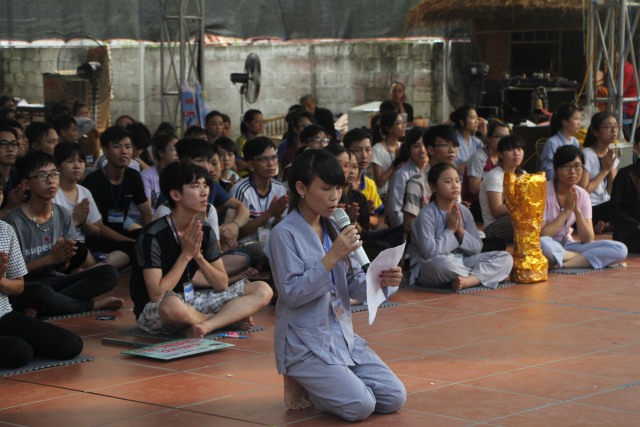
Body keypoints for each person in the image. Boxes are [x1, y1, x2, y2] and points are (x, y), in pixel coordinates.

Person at [264, 149, 406, 421]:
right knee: (360, 406)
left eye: (338, 188)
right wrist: (331, 257)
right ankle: (303, 377)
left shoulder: (334, 225)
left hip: (341, 336)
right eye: (326, 188)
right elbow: (291, 294)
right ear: (301, 188)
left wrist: (382, 280)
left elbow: (352, 284)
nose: (335, 196)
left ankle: (330, 381)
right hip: (305, 342)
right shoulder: (284, 234)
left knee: (394, 396)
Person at [130, 161, 272, 337]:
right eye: (195, 186)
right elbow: (156, 295)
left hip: (193, 300)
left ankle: (206, 326)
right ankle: (218, 319)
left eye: (205, 185)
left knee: (262, 289)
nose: (204, 192)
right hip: (156, 310)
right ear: (175, 194)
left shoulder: (204, 229)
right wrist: (185, 255)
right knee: (172, 305)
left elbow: (221, 284)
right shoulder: (152, 236)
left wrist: (198, 257)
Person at [5, 151, 122, 316]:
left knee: (108, 273)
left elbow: (63, 267)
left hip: (53, 280)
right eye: (42, 175)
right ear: (26, 184)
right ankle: (89, 305)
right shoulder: (13, 221)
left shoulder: (62, 214)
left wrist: (64, 260)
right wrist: (48, 259)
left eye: (54, 174)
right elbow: (9, 275)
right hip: (24, 286)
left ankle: (46, 306)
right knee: (39, 291)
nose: (50, 180)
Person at [0, 204, 83, 368]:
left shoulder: (5, 230)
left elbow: (18, 286)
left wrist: (1, 281)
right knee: (19, 351)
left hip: (3, 315)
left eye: (0, 192)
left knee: (71, 344)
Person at [408, 163, 513, 291]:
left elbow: (477, 248)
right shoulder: (426, 215)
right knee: (442, 265)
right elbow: (429, 253)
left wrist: (460, 231)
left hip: (461, 261)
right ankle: (482, 275)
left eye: (457, 181)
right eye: (448, 182)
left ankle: (469, 280)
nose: (455, 185)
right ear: (434, 187)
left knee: (505, 258)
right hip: (432, 266)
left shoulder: (463, 211)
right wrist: (451, 230)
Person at [540, 145, 627, 269]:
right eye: (566, 166)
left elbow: (587, 238)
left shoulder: (582, 194)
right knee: (542, 244)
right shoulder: (543, 192)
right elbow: (543, 234)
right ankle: (581, 258)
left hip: (568, 245)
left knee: (620, 249)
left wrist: (577, 211)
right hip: (549, 244)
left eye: (577, 166)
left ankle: (563, 264)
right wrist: (566, 212)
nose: (572, 171)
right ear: (555, 170)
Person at [53, 142, 130, 269]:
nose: (77, 166)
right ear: (58, 166)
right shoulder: (53, 194)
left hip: (87, 246)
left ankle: (89, 271)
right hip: (67, 248)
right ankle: (97, 269)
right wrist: (75, 220)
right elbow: (52, 235)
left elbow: (96, 233)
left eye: (81, 161)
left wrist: (84, 222)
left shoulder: (84, 192)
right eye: (70, 161)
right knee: (77, 249)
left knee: (129, 248)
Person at [83, 126, 153, 240]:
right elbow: (98, 226)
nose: (124, 151)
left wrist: (148, 238)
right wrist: (130, 242)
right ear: (105, 150)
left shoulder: (133, 176)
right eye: (117, 146)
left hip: (123, 233)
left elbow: (146, 212)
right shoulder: (93, 182)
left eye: (128, 146)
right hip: (100, 239)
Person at [230, 137, 288, 266]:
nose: (271, 164)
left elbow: (280, 229)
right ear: (251, 165)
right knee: (266, 249)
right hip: (245, 244)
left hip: (272, 241)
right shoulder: (241, 190)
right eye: (264, 159)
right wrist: (268, 214)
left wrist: (277, 217)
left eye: (274, 157)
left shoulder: (279, 188)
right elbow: (236, 234)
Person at [401, 124, 459, 234]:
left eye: (455, 145)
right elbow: (408, 225)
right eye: (446, 145)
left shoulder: (455, 180)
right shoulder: (417, 183)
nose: (452, 150)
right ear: (431, 150)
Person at [479, 135, 526, 243]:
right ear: (500, 154)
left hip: (515, 221)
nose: (516, 153)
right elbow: (496, 210)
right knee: (521, 217)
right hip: (494, 227)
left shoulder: (523, 174)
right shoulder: (495, 176)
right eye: (511, 149)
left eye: (519, 149)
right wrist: (523, 204)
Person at [579, 112, 619, 233]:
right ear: (596, 132)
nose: (613, 130)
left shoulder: (611, 154)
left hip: (605, 204)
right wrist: (605, 170)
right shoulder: (587, 154)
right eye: (607, 127)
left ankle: (602, 225)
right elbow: (584, 191)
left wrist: (611, 168)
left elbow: (612, 191)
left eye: (615, 126)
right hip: (590, 206)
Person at [462, 120, 509, 222]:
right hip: (474, 204)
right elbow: (474, 189)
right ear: (488, 138)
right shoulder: (479, 157)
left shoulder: (503, 156)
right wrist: (494, 182)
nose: (504, 141)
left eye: (507, 137)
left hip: (495, 199)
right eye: (499, 137)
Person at [386, 126, 428, 228]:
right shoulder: (401, 175)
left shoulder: (434, 171)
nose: (422, 150)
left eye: (425, 144)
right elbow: (395, 212)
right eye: (416, 146)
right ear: (409, 150)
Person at [342, 128, 383, 229]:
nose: (364, 155)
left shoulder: (370, 184)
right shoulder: (341, 183)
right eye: (357, 150)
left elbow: (377, 220)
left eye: (368, 150)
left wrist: (363, 214)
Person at [610, 136, 640, 252]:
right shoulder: (625, 174)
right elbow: (614, 209)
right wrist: (636, 225)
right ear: (636, 147)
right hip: (630, 232)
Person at [541, 103, 581, 181]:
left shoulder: (575, 142)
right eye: (576, 119)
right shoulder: (552, 143)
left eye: (579, 119)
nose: (579, 123)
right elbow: (548, 171)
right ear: (564, 121)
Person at [371, 111, 405, 200]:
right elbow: (380, 182)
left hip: (399, 195)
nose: (403, 126)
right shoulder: (377, 149)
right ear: (389, 129)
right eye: (398, 123)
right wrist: (396, 161)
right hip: (382, 197)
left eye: (403, 122)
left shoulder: (402, 147)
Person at [141, 131, 178, 212]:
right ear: (161, 152)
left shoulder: (181, 175)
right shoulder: (146, 175)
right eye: (174, 149)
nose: (177, 153)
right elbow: (147, 211)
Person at [450, 105, 485, 178]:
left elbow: (488, 158)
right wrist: (473, 162)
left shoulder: (476, 142)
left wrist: (484, 134)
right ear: (462, 122)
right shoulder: (454, 141)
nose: (477, 121)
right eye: (473, 118)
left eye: (477, 118)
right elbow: (452, 169)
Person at [0, 124, 24, 219]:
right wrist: (9, 208)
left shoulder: (17, 176)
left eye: (14, 144)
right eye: (4, 144)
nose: (10, 149)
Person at [235, 109, 264, 176]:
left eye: (262, 122)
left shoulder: (261, 141)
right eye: (257, 122)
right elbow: (239, 164)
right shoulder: (240, 141)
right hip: (245, 175)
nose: (261, 125)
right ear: (248, 124)